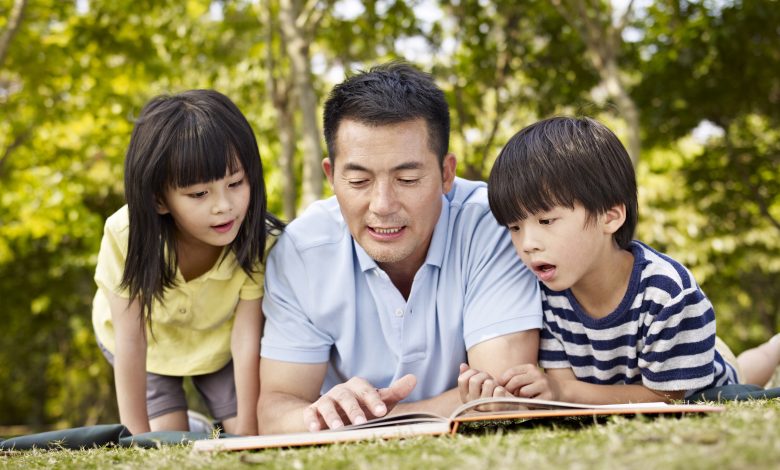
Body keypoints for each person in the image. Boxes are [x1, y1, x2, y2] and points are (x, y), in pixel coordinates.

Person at [258, 62, 543, 434]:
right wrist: (324, 413)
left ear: (446, 173)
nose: (382, 205)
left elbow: (499, 396)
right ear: (331, 176)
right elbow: (275, 412)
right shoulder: (302, 252)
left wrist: (361, 423)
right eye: (359, 180)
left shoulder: (496, 223)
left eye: (407, 178)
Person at [458, 116, 780, 404]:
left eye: (546, 221)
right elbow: (561, 386)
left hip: (695, 374)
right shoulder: (547, 293)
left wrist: (563, 393)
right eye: (515, 227)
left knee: (745, 372)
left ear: (610, 217)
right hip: (639, 375)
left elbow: (667, 397)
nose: (527, 244)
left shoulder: (666, 293)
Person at [92, 89, 283, 435]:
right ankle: (189, 422)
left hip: (219, 346)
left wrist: (251, 435)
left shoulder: (259, 240)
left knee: (245, 427)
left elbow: (245, 339)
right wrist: (136, 438)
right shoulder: (126, 233)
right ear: (159, 200)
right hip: (150, 350)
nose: (224, 205)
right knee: (167, 439)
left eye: (236, 183)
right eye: (199, 194)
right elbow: (131, 338)